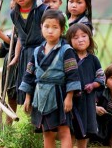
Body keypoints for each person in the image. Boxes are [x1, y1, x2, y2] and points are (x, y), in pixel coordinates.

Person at [19, 9, 81, 148]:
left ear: (62, 29)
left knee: (64, 130)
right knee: (47, 132)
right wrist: (28, 97)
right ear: (41, 27)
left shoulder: (66, 50)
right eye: (47, 26)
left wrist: (69, 97)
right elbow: (29, 75)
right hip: (40, 96)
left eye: (55, 27)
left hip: (59, 94)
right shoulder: (37, 51)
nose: (50, 31)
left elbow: (73, 75)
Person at [8, 0, 48, 105]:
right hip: (26, 56)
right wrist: (17, 56)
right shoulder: (14, 14)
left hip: (42, 54)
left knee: (42, 90)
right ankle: (33, 124)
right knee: (27, 92)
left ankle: (41, 125)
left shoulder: (43, 10)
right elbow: (20, 36)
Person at [65, 23, 105, 148]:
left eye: (84, 36)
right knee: (70, 128)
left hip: (87, 101)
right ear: (69, 41)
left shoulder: (93, 59)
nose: (80, 39)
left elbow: (101, 77)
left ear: (90, 38)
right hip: (71, 100)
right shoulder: (69, 58)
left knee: (84, 131)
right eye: (75, 37)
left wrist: (93, 85)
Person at [0, 1, 17, 124]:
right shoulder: (15, 27)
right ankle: (8, 125)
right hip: (11, 66)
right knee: (11, 95)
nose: (13, 11)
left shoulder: (29, 26)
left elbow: (17, 42)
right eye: (11, 8)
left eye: (15, 8)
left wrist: (0, 33)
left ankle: (32, 128)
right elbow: (9, 48)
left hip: (22, 64)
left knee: (28, 96)